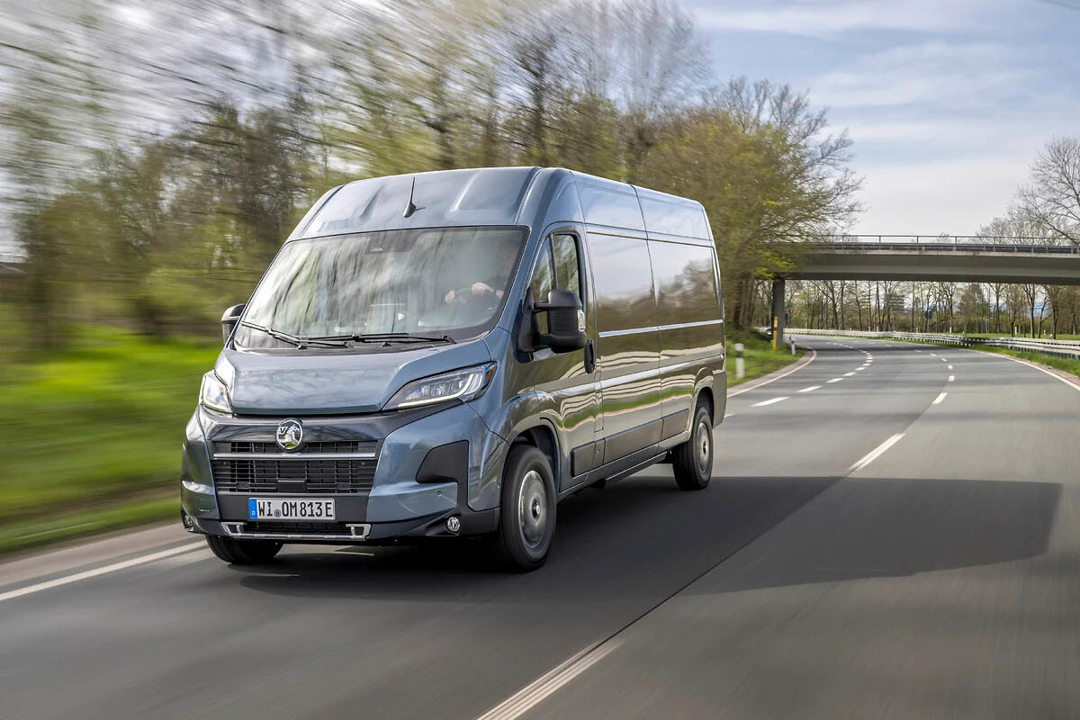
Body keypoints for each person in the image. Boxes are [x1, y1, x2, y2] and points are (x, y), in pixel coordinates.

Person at [444, 239, 519, 306]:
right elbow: (474, 299)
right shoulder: (492, 282)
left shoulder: (522, 281)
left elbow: (517, 300)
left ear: (518, 260)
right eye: (500, 258)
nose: (502, 262)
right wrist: (458, 299)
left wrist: (492, 292)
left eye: (508, 258)